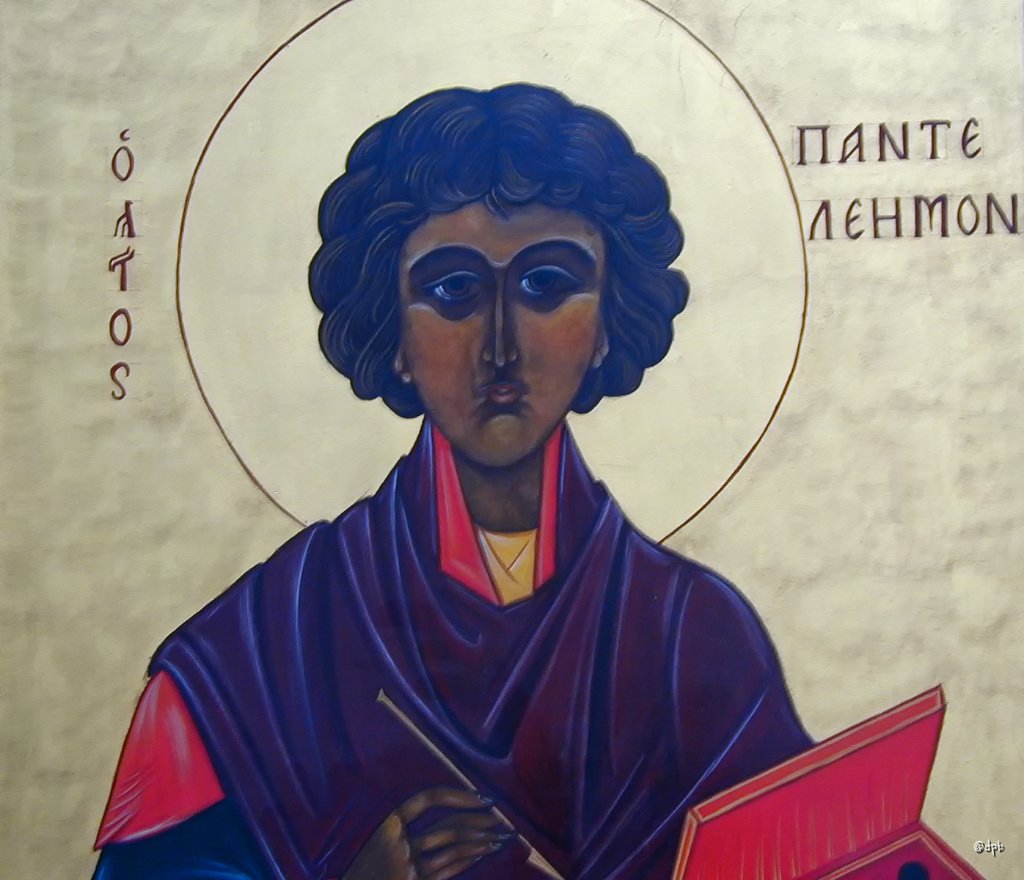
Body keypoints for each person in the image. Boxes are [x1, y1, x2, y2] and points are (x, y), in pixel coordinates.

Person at [91, 83, 811, 880]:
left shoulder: (697, 638)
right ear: (391, 330)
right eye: (453, 290)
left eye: (546, 285)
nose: (500, 348)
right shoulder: (260, 649)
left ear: (609, 324)